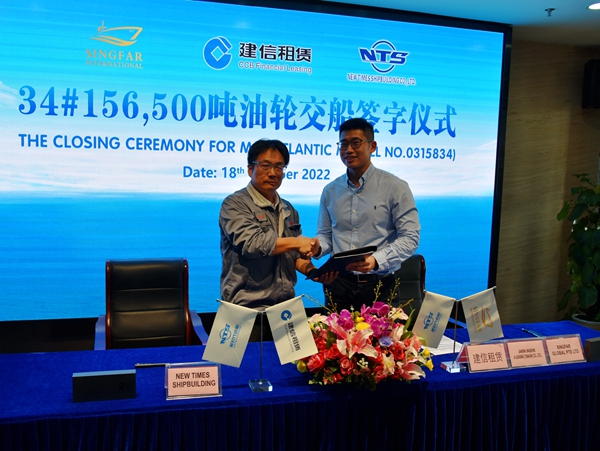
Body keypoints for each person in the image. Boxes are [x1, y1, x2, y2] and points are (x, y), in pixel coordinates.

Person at [219, 138, 331, 340]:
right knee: (242, 362)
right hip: (244, 310)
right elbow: (253, 244)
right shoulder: (234, 204)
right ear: (250, 169)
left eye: (279, 167)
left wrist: (314, 272)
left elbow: (294, 257)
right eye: (265, 165)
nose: (273, 173)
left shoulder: (289, 209)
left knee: (302, 361)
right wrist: (298, 242)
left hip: (286, 309)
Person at [315, 118, 420, 312]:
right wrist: (317, 247)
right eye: (343, 144)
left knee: (383, 333)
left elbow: (410, 237)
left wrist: (376, 260)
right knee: (333, 333)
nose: (348, 150)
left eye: (356, 143)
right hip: (339, 286)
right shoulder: (330, 191)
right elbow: (326, 235)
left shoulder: (395, 187)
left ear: (373, 146)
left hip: (381, 285)